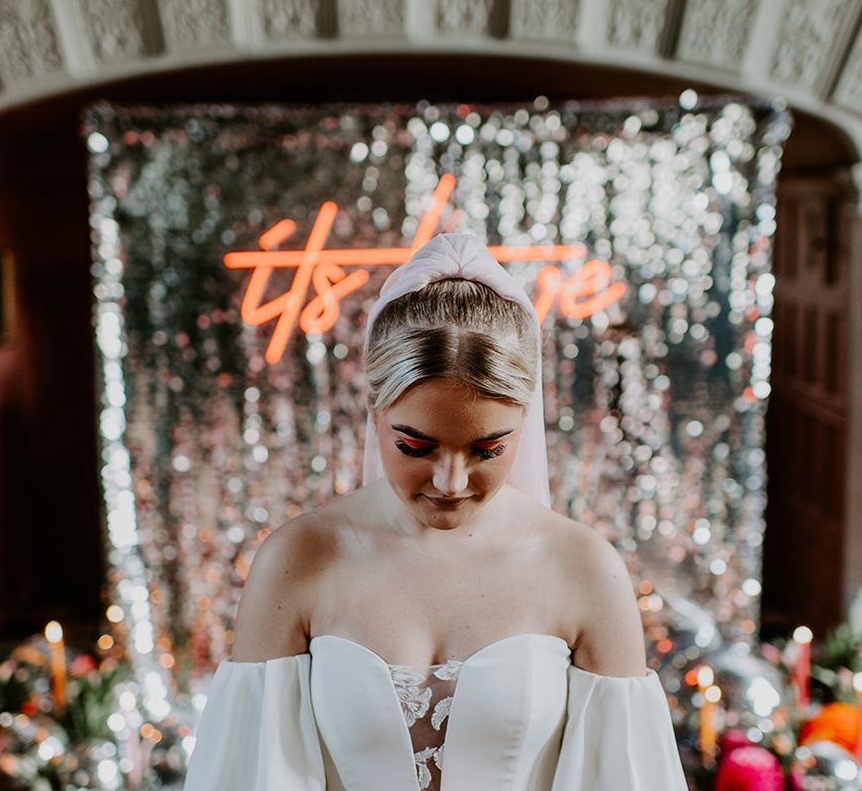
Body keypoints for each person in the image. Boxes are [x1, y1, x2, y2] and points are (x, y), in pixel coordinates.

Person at [184, 232, 688, 790]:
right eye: (416, 447)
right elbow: (252, 778)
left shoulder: (585, 568)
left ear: (526, 421)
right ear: (374, 409)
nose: (451, 483)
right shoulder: (297, 558)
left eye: (487, 449)